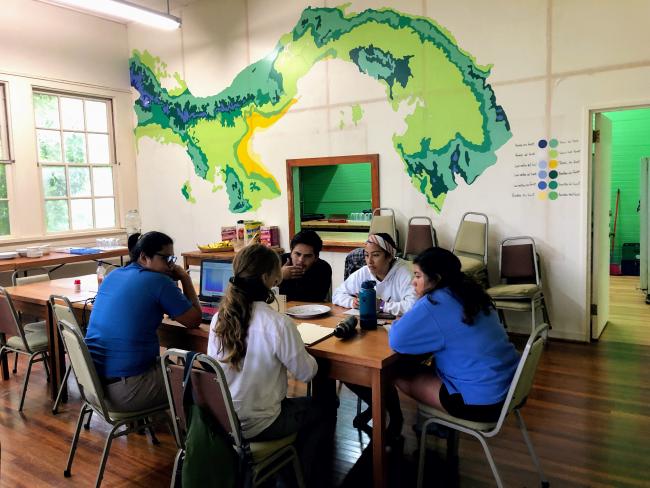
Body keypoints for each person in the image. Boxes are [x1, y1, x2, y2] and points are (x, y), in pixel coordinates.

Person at [208, 244, 336, 486]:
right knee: (325, 407)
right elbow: (306, 373)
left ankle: (282, 467)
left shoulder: (219, 318)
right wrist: (305, 353)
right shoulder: (278, 323)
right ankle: (297, 478)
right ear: (268, 278)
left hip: (225, 419)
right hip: (261, 423)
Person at [389, 247, 520, 422]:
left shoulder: (434, 302)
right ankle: (436, 425)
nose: (413, 282)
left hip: (482, 402)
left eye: (418, 276)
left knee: (394, 370)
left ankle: (395, 425)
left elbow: (397, 340)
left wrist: (403, 318)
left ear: (436, 279)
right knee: (429, 361)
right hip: (509, 385)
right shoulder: (470, 292)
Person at [85, 231, 201, 412]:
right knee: (203, 382)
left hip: (94, 386)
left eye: (172, 259)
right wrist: (185, 278)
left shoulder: (113, 275)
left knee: (169, 367)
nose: (171, 266)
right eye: (166, 259)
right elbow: (194, 320)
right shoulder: (158, 281)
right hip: (125, 392)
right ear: (144, 257)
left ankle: (148, 423)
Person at [332, 233, 416, 315]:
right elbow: (337, 294)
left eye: (375, 255)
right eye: (366, 255)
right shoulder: (364, 272)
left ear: (389, 257)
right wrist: (353, 302)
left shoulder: (406, 272)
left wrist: (382, 305)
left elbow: (414, 306)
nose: (369, 261)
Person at [279, 230, 332, 302]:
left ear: (316, 257)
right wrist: (279, 276)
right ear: (291, 252)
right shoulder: (278, 262)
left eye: (307, 256)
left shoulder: (323, 268)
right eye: (297, 254)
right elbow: (263, 295)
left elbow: (316, 300)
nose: (301, 260)